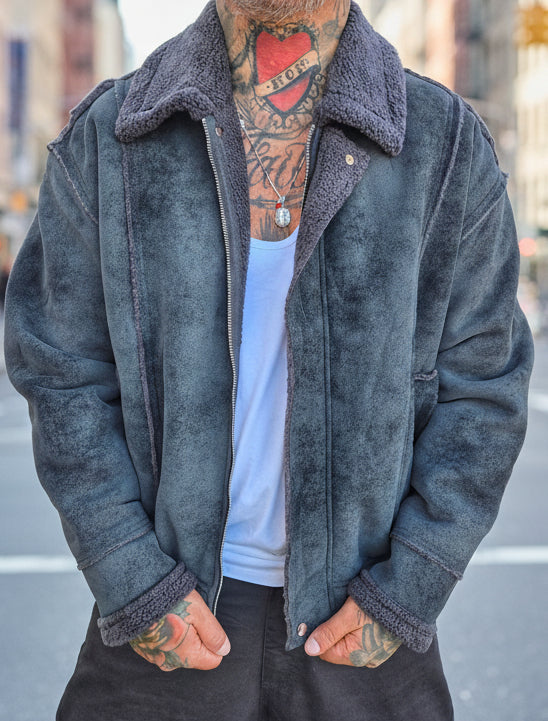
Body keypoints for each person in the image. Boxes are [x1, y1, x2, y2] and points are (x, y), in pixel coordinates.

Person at [3, 0, 534, 718]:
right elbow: (60, 370)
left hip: (363, 627)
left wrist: (409, 587)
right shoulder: (112, 135)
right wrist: (131, 576)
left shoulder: (444, 144)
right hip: (169, 623)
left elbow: (485, 386)